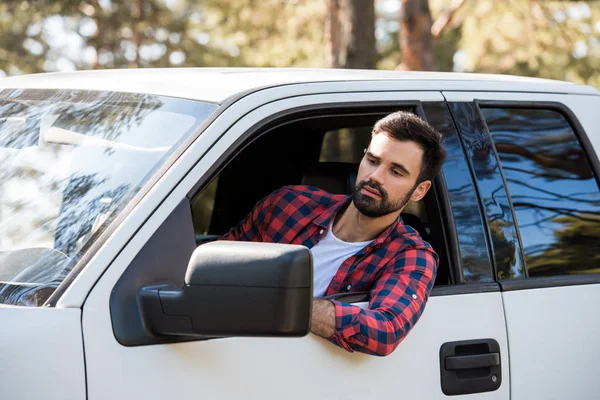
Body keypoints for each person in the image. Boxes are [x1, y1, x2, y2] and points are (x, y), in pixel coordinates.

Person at [222, 111, 446, 356]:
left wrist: (282, 302)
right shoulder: (287, 205)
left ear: (419, 191)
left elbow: (384, 330)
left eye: (396, 172)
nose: (375, 177)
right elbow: (216, 263)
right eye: (373, 161)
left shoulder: (410, 256)